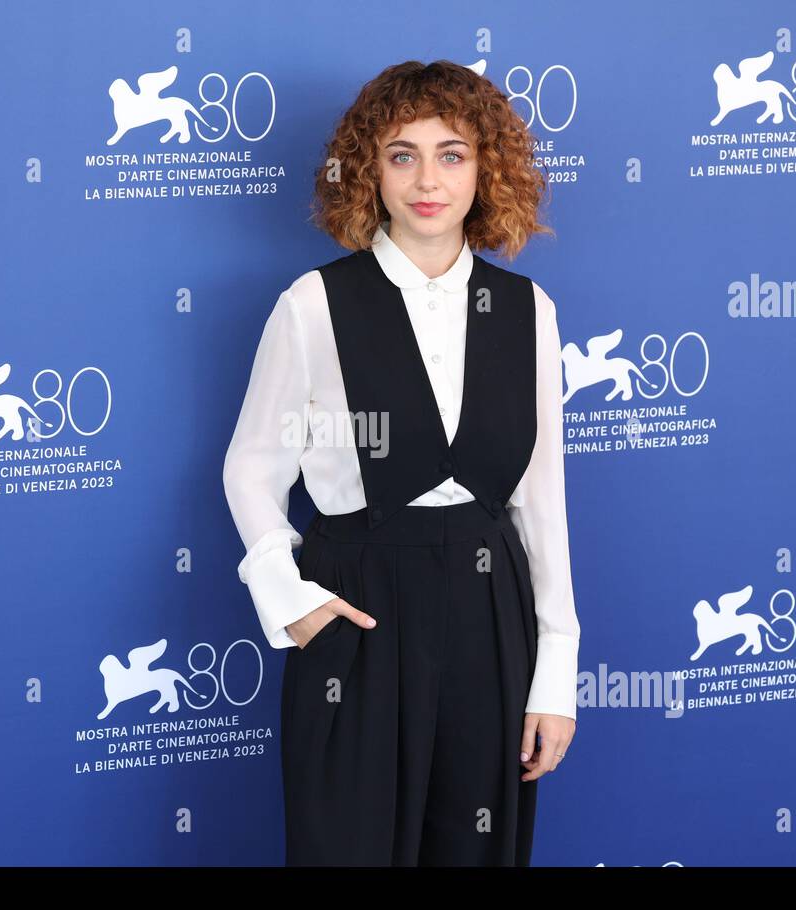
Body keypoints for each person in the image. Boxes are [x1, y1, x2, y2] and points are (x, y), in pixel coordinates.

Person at [222, 60, 581, 866]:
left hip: (492, 616)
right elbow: (251, 467)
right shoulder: (313, 305)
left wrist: (555, 674)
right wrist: (291, 600)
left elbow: (542, 503)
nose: (428, 180)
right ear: (369, 171)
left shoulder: (528, 313)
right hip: (358, 612)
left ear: (487, 169)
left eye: (452, 154)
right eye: (402, 154)